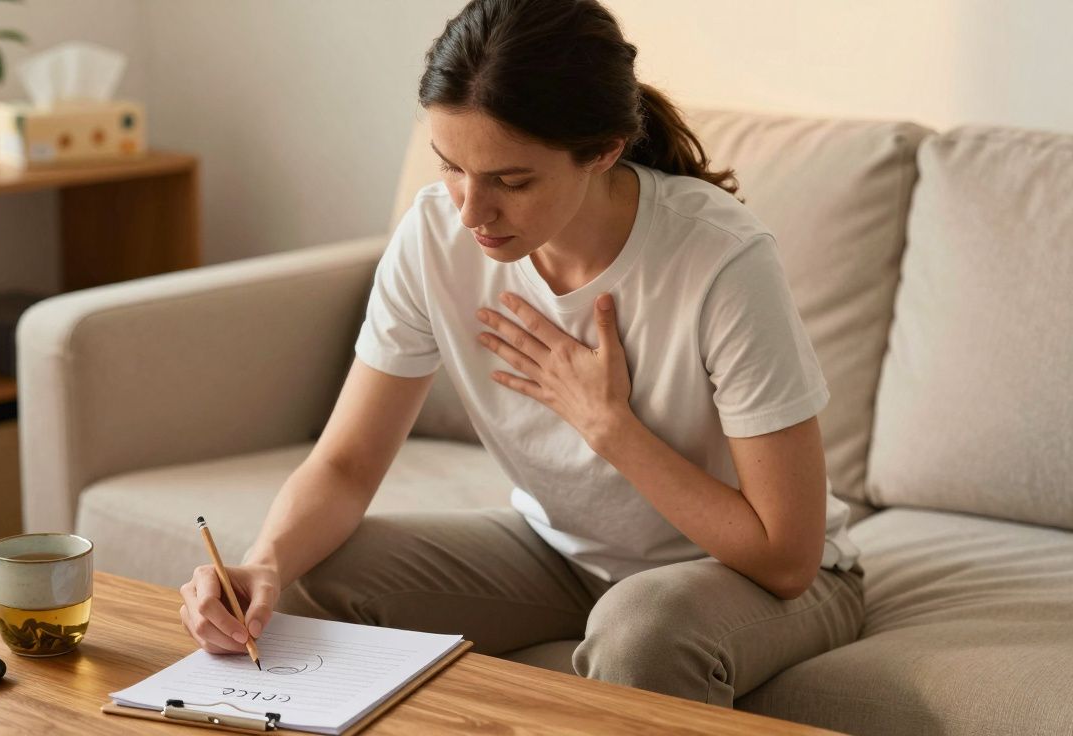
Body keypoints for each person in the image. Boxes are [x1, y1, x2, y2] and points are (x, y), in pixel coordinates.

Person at [179, 0, 863, 707]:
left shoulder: (721, 260)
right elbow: (348, 465)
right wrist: (259, 564)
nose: (472, 211)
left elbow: (786, 557)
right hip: (562, 554)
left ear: (603, 150)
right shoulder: (435, 237)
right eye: (451, 167)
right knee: (310, 570)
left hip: (758, 580)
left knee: (639, 632)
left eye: (511, 180)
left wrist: (610, 427)